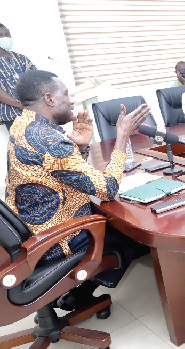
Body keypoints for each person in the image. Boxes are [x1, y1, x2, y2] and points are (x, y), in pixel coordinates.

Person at [5, 70, 152, 310]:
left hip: (29, 229)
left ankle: (72, 293)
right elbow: (108, 188)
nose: (72, 101)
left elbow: (64, 174)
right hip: (54, 239)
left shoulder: (24, 125)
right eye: (66, 94)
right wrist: (123, 136)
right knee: (133, 233)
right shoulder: (49, 140)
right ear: (50, 99)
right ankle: (79, 294)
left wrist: (81, 148)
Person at [0, 23, 36, 131]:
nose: (5, 37)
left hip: (34, 111)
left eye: (7, 34)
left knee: (42, 144)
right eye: (1, 35)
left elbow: (36, 81)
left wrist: (32, 103)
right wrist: (20, 105)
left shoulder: (21, 58)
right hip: (12, 116)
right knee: (23, 146)